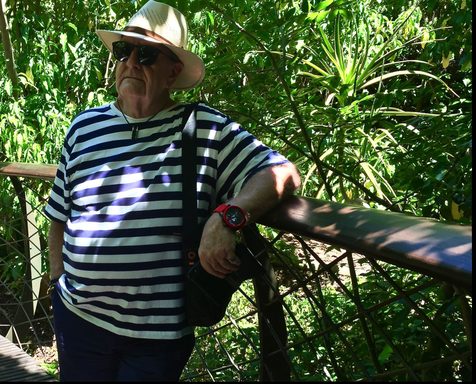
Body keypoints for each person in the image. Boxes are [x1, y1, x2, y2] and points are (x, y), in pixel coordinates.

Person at [43, 1, 301, 381]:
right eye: (123, 51)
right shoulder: (85, 127)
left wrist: (228, 218)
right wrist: (55, 283)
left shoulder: (202, 128)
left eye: (145, 54)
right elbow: (59, 216)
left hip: (156, 335)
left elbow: (283, 173)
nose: (131, 62)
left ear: (172, 71)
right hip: (78, 319)